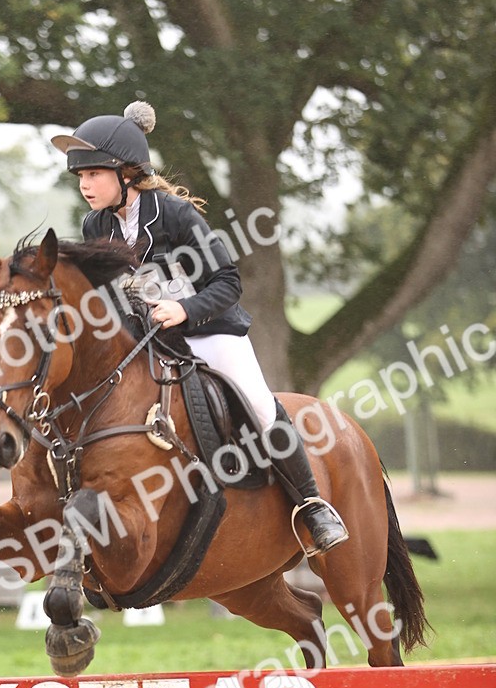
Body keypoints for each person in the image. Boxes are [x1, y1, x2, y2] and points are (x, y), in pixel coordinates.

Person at [51, 101, 348, 555]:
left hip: (210, 331)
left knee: (260, 405)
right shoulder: (96, 224)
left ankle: (311, 505)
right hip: (149, 341)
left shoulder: (173, 215)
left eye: (93, 174)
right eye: (81, 177)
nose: (85, 185)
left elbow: (228, 282)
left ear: (126, 172)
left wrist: (185, 310)